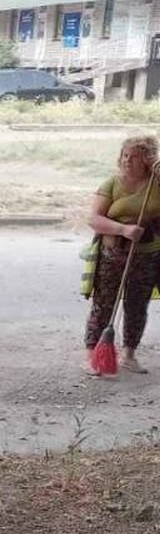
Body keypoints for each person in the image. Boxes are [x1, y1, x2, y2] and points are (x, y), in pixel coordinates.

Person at [83, 133, 160, 375]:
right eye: (125, 155)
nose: (127, 161)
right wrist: (123, 229)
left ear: (147, 160)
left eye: (135, 157)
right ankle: (94, 355)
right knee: (103, 305)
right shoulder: (111, 184)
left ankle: (129, 353)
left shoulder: (156, 183)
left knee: (138, 305)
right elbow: (94, 219)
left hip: (147, 255)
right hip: (113, 253)